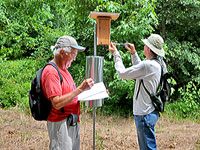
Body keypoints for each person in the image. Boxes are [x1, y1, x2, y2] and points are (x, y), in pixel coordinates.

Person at [109, 34, 167, 150]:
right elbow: (141, 70)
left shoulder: (148, 65)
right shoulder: (158, 63)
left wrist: (116, 54)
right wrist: (133, 54)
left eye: (146, 45)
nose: (144, 46)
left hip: (144, 114)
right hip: (150, 111)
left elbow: (122, 73)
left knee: (147, 148)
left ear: (149, 49)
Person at [41, 35, 94, 150]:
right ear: (62, 53)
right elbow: (57, 103)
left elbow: (71, 95)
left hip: (71, 122)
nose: (74, 59)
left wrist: (94, 92)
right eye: (73, 55)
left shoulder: (64, 70)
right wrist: (80, 89)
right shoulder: (51, 72)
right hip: (61, 125)